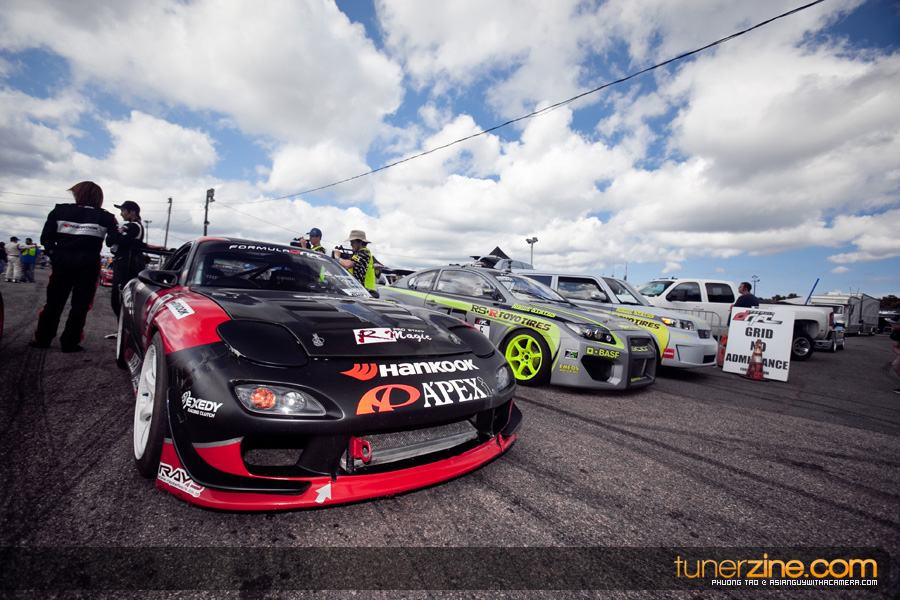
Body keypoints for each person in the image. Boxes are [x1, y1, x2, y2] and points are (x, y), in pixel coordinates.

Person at [30, 181, 117, 352]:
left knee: (53, 302)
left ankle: (42, 339)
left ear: (78, 194)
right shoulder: (106, 216)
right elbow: (114, 241)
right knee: (81, 305)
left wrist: (55, 255)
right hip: (89, 263)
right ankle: (70, 342)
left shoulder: (59, 210)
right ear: (98, 197)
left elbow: (46, 238)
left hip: (63, 261)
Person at [109, 200, 146, 317]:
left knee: (119, 302)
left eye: (123, 211)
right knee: (118, 302)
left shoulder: (134, 226)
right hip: (123, 265)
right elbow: (109, 241)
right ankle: (121, 326)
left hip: (127, 267)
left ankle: (123, 327)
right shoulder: (132, 226)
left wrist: (116, 234)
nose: (121, 214)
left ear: (132, 212)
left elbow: (116, 238)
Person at [334, 229, 377, 295]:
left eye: (353, 242)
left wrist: (337, 257)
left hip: (366, 292)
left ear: (360, 242)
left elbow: (348, 264)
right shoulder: (359, 254)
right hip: (363, 291)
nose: (351, 245)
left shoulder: (364, 253)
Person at [889, 315, 900, 394]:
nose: (891, 325)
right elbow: (895, 347)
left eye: (893, 323)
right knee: (895, 365)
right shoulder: (896, 332)